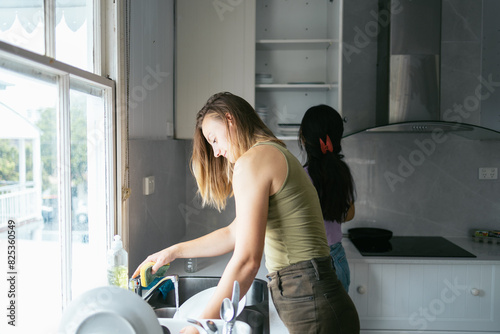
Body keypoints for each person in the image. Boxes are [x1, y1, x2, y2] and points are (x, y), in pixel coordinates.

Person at [133, 92, 359, 334]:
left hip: (313, 302)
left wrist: (199, 326)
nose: (216, 151)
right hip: (318, 300)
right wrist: (172, 252)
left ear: (230, 120)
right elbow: (233, 233)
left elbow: (247, 262)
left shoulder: (253, 160)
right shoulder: (270, 152)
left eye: (214, 139)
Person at [299, 105, 356, 292]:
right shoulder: (342, 172)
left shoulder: (299, 177)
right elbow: (348, 215)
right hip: (337, 258)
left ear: (303, 139)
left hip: (310, 262)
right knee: (339, 320)